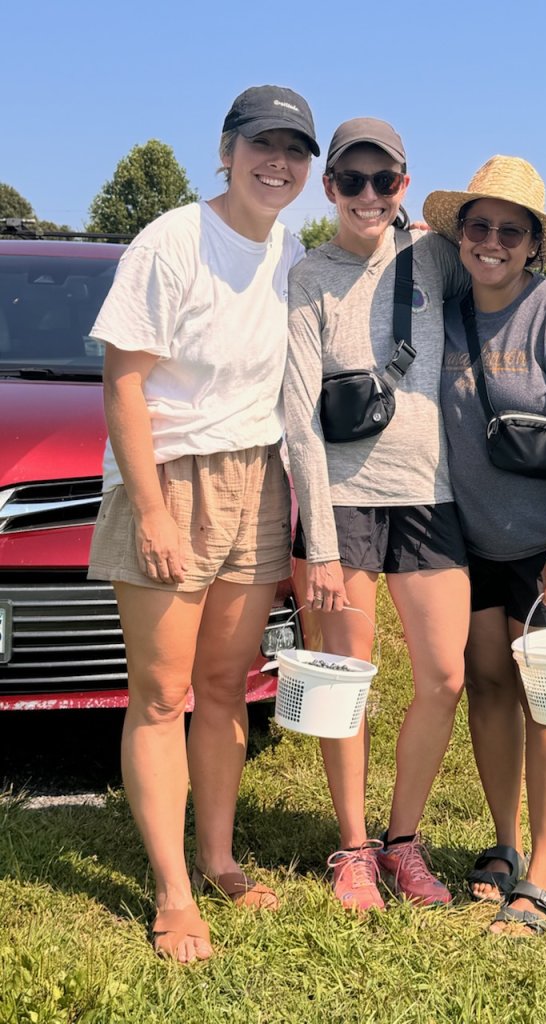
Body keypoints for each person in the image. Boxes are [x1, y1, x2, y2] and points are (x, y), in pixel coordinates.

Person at [284, 121, 546, 914]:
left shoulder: (439, 257)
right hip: (354, 504)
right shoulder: (310, 276)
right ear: (329, 187)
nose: (368, 194)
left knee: (446, 677)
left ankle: (410, 844)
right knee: (358, 682)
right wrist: (321, 544)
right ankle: (355, 848)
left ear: (404, 187)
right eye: (351, 180)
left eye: (383, 180)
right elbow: (297, 413)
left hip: (440, 504)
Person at [87, 85, 319, 961]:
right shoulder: (172, 241)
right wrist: (150, 510)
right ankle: (173, 892)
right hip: (172, 476)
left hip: (260, 478)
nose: (279, 162)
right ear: (225, 148)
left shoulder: (291, 249)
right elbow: (124, 382)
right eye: (263, 142)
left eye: (296, 150)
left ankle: (218, 857)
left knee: (226, 688)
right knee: (161, 694)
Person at [424, 155, 546, 935]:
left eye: (511, 230)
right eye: (479, 226)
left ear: (534, 244)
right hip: (474, 540)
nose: (492, 242)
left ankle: (542, 869)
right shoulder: (441, 301)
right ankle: (500, 844)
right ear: (459, 235)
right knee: (491, 685)